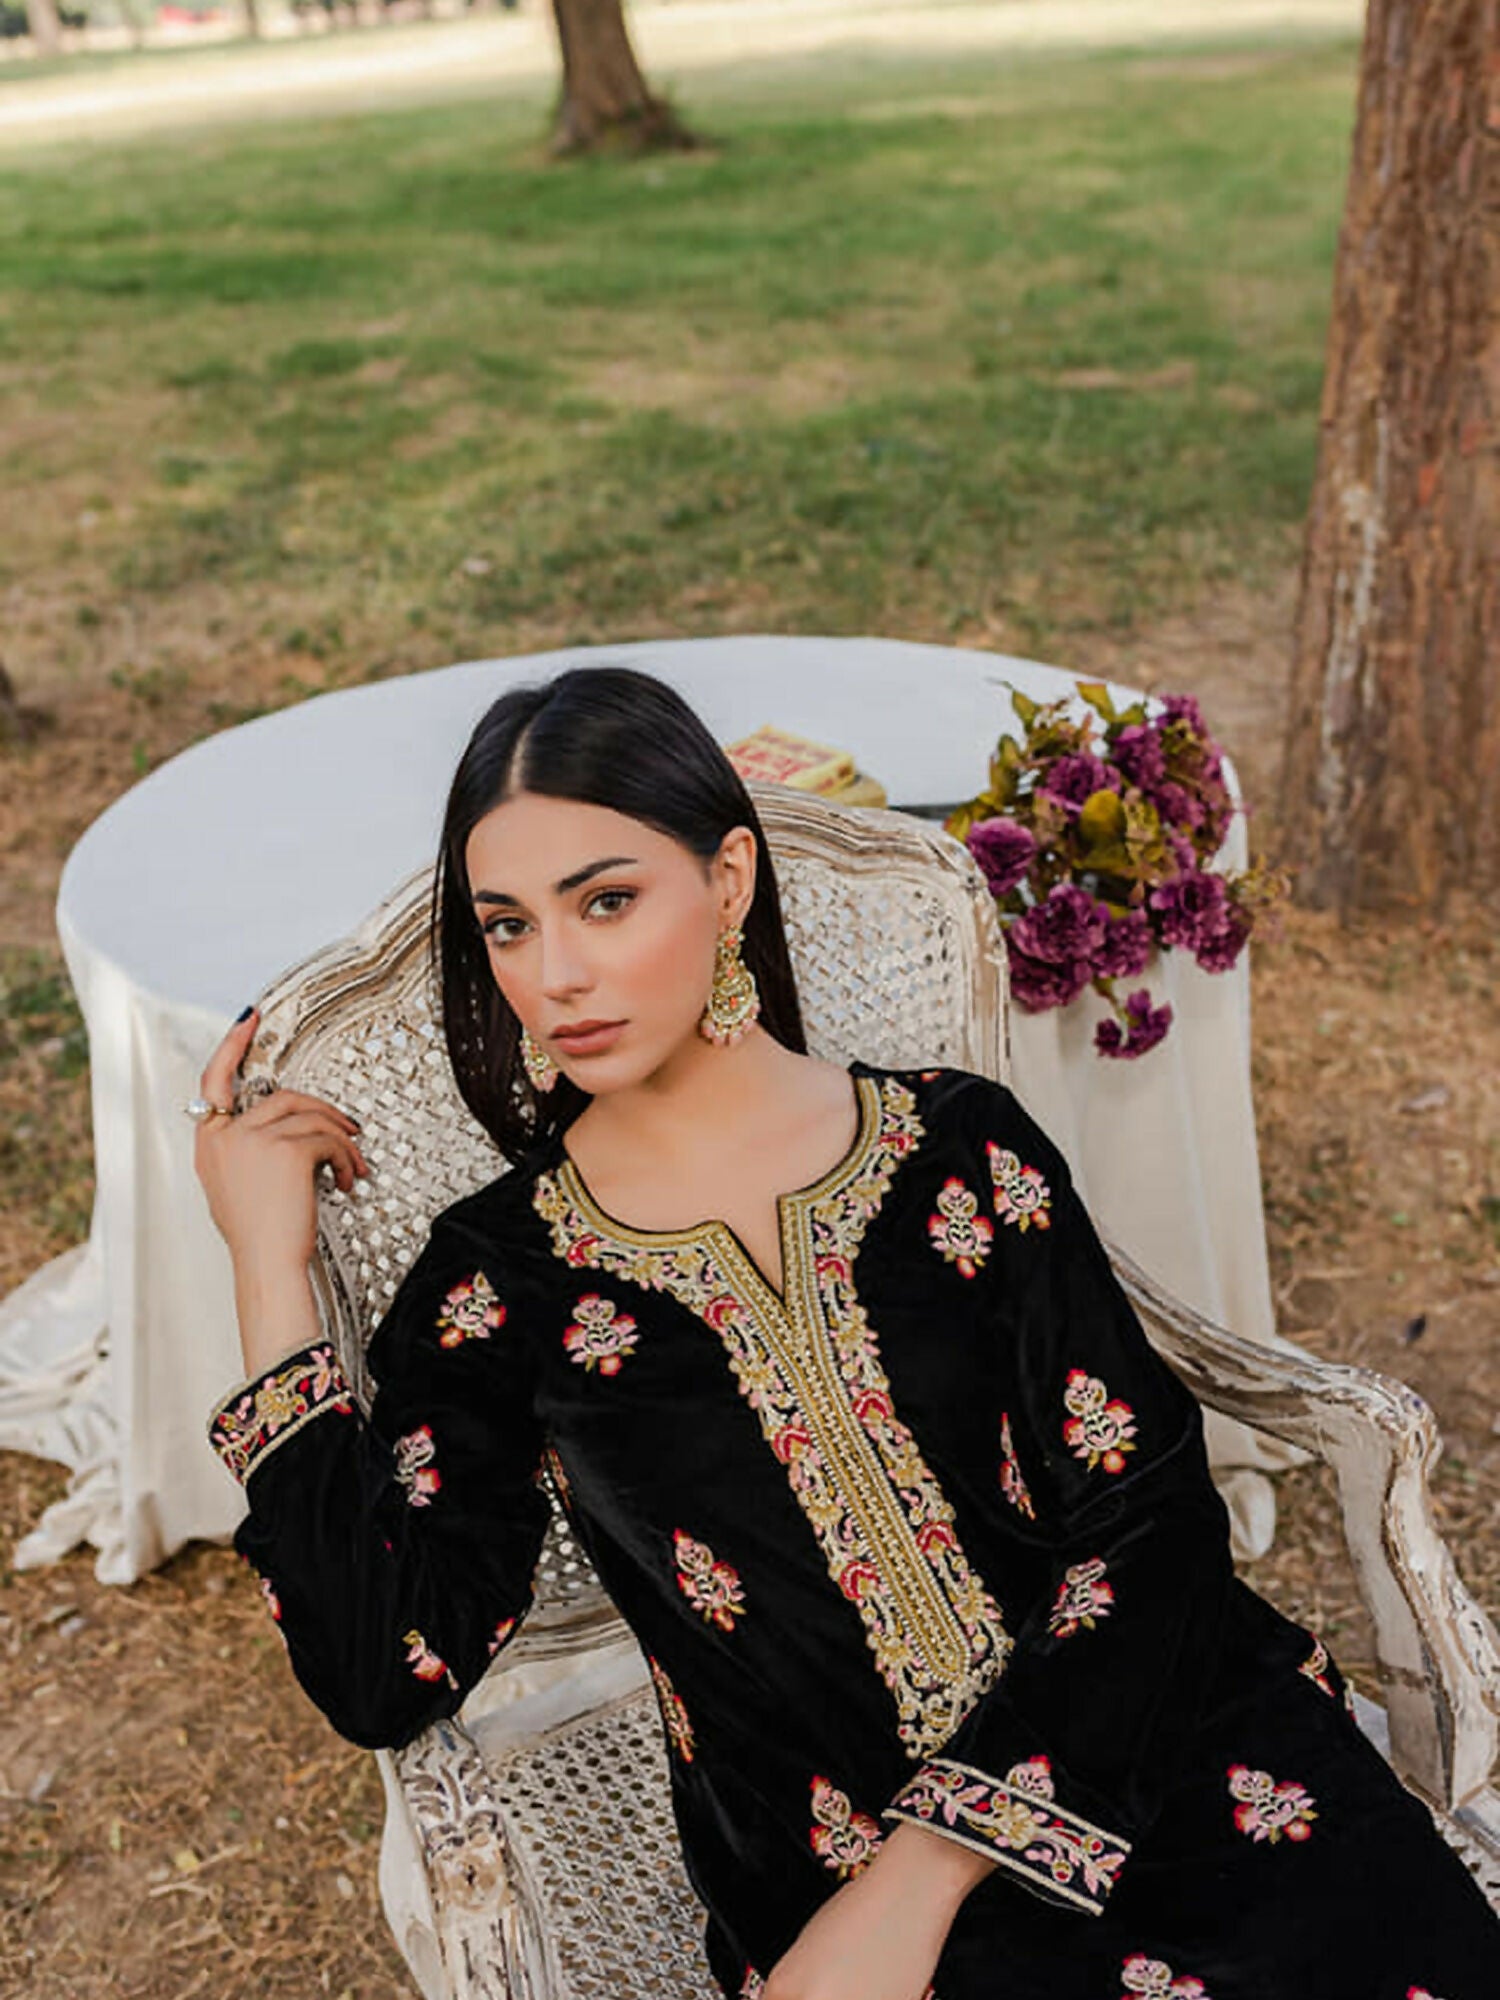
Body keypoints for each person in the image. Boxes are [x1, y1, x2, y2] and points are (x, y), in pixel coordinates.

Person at [192, 666, 1500, 2000]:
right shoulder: (499, 1284)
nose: (557, 975)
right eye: (510, 928)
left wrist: (924, 1877)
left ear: (730, 880)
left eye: (606, 901)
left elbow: (1148, 1518)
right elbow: (384, 1671)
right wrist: (267, 1268)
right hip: (826, 1855)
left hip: (1161, 1743)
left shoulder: (958, 1145)